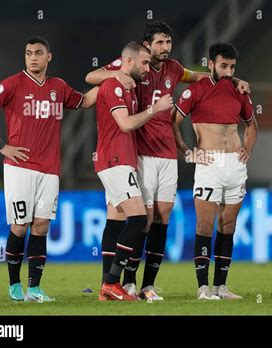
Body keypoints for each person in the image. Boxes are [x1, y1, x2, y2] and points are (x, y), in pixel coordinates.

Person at [85, 21, 250, 301]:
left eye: (168, 42)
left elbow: (200, 77)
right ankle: (128, 283)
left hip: (166, 154)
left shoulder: (174, 68)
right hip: (141, 151)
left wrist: (232, 79)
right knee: (143, 220)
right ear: (146, 45)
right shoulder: (135, 65)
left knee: (163, 217)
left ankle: (148, 285)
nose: (165, 47)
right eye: (160, 42)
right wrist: (116, 76)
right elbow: (91, 77)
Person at [0, 36, 98, 302]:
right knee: (20, 226)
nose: (32, 57)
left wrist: (112, 79)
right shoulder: (12, 84)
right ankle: (14, 285)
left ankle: (35, 289)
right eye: (28, 53)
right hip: (20, 168)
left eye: (38, 53)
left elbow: (86, 101)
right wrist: (1, 145)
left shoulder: (58, 87)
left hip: (50, 169)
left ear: (48, 57)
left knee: (41, 226)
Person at [174, 42, 258, 300]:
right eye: (224, 66)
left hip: (235, 164)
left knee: (228, 225)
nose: (229, 71)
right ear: (210, 64)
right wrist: (188, 151)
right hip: (209, 164)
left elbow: (252, 125)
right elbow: (171, 124)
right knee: (205, 225)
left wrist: (247, 148)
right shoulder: (195, 91)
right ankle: (203, 287)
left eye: (232, 67)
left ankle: (221, 286)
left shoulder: (239, 91)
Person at [96, 42, 173, 301]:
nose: (147, 68)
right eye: (143, 63)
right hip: (115, 160)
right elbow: (126, 124)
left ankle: (106, 288)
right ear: (127, 62)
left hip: (120, 160)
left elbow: (86, 100)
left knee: (116, 219)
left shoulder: (124, 85)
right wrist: (154, 109)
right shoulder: (114, 85)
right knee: (139, 220)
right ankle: (112, 282)